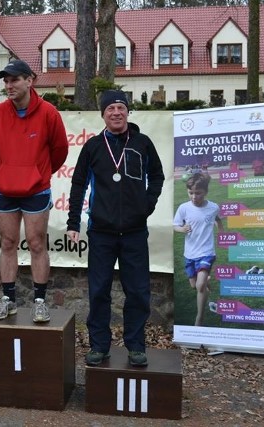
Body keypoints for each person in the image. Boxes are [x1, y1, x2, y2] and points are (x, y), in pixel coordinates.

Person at [66, 90, 164, 367]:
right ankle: (99, 345)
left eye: (121, 107)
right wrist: (74, 222)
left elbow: (156, 176)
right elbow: (78, 185)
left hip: (134, 232)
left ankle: (135, 346)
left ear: (128, 111)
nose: (116, 113)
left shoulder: (142, 143)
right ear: (103, 114)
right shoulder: (93, 146)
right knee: (99, 292)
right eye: (110, 109)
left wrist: (147, 205)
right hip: (101, 232)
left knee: (137, 292)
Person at [0, 59, 69, 323]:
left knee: (36, 243)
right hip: (5, 189)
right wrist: (9, 169)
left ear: (29, 80)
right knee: (7, 243)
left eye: (14, 80)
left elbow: (59, 151)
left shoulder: (49, 113)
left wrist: (38, 172)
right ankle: (8, 300)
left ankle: (40, 301)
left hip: (36, 190)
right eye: (6, 81)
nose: (9, 86)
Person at [173, 173, 224, 326]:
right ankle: (206, 280)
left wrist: (220, 229)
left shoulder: (213, 207)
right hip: (190, 253)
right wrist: (181, 229)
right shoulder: (184, 208)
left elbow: (216, 217)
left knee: (199, 286)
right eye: (191, 193)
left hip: (207, 252)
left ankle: (199, 319)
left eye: (198, 193)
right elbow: (175, 225)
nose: (194, 197)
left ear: (205, 192)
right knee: (194, 285)